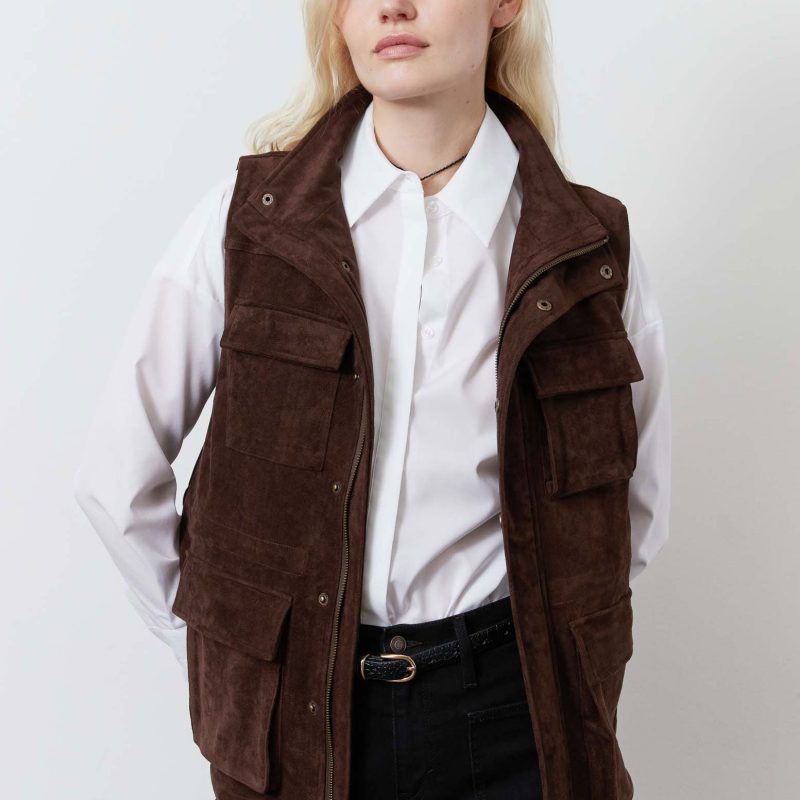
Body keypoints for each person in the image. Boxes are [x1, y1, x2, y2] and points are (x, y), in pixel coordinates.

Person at [73, 1, 671, 798]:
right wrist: (221, 647)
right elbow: (116, 472)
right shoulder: (249, 225)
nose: (393, 5)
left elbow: (634, 513)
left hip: (521, 721)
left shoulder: (588, 254)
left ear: (504, 5)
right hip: (295, 724)